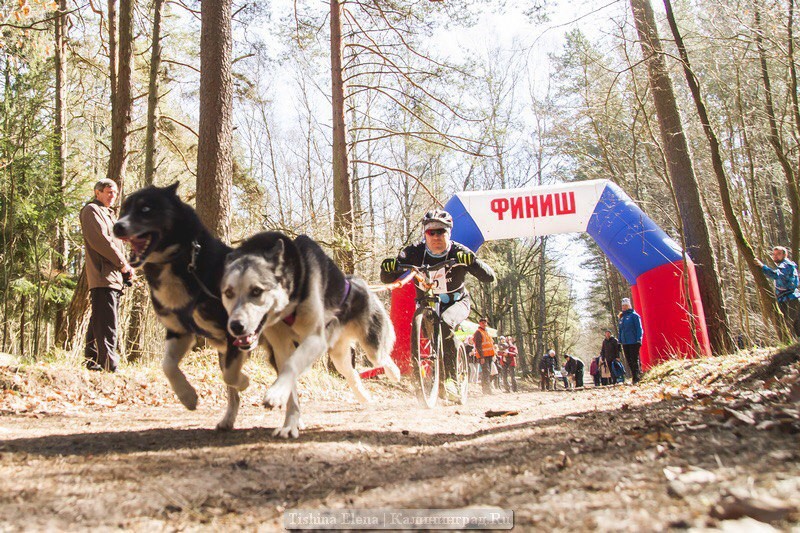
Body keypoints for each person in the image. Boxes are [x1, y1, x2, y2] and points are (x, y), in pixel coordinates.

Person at [381, 209, 495, 386]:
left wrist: (472, 262)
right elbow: (388, 279)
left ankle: (451, 379)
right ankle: (427, 377)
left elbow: (489, 277)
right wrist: (387, 268)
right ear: (424, 233)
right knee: (430, 331)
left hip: (457, 302)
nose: (436, 236)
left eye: (441, 231)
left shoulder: (458, 251)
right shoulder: (414, 252)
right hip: (428, 305)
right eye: (431, 232)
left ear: (449, 232)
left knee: (444, 323)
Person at [80, 179, 134, 372]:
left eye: (115, 192)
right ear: (97, 193)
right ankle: (108, 364)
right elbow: (101, 242)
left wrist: (125, 268)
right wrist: (122, 264)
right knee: (108, 322)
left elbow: (115, 243)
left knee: (99, 319)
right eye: (109, 192)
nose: (113, 196)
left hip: (113, 277)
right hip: (103, 275)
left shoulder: (109, 214)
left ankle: (93, 360)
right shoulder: (91, 211)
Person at [757, 246, 800, 338]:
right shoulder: (787, 265)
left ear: (785, 255)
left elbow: (775, 275)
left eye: (778, 254)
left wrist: (762, 266)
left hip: (789, 300)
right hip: (791, 299)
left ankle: (791, 349)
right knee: (796, 327)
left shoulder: (785, 265)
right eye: (774, 254)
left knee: (789, 326)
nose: (775, 256)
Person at [618, 297, 644, 384]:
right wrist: (620, 340)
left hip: (633, 341)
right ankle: (634, 376)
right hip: (625, 342)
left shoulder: (634, 316)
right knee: (629, 360)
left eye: (625, 305)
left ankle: (637, 377)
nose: (624, 307)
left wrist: (639, 339)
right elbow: (621, 330)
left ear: (629, 305)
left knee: (634, 359)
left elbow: (639, 328)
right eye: (623, 306)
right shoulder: (622, 317)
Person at [472, 317, 496, 394]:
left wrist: (493, 354)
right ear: (479, 323)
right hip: (483, 356)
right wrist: (481, 357)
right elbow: (478, 346)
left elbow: (491, 344)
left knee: (489, 372)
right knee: (486, 372)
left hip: (489, 356)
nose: (484, 324)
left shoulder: (486, 332)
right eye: (482, 322)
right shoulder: (478, 333)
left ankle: (486, 388)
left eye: (485, 322)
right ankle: (486, 390)